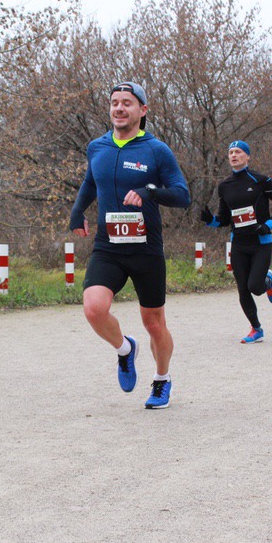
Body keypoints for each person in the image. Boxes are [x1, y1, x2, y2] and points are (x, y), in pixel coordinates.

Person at [69, 82, 191, 410]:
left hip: (145, 249)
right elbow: (91, 181)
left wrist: (150, 191)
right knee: (93, 308)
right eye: (114, 103)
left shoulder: (156, 150)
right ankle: (125, 350)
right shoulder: (97, 147)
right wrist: (77, 211)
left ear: (142, 110)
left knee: (154, 323)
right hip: (108, 247)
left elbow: (182, 195)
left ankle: (162, 379)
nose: (119, 108)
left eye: (127, 103)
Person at [200, 140, 272, 343]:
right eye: (231, 152)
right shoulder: (224, 186)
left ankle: (267, 281)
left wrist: (269, 225)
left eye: (238, 152)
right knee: (242, 288)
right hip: (238, 244)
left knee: (255, 287)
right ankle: (256, 329)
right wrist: (210, 220)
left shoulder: (262, 180)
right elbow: (224, 219)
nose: (234, 155)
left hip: (260, 242)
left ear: (247, 156)